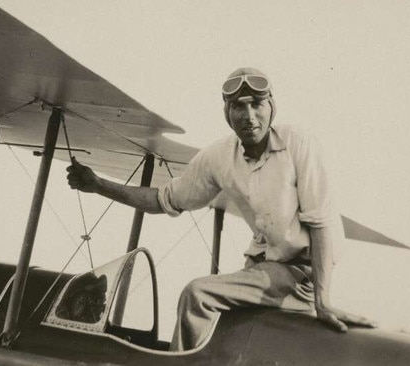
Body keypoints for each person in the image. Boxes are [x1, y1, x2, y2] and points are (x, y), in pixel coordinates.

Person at [67, 67, 374, 351]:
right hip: (263, 270)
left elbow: (320, 225)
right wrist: (98, 185)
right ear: (227, 113)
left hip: (302, 275)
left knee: (196, 294)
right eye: (239, 106)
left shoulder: (298, 143)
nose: (249, 115)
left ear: (272, 107)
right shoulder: (218, 157)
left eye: (257, 104)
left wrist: (323, 302)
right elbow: (164, 200)